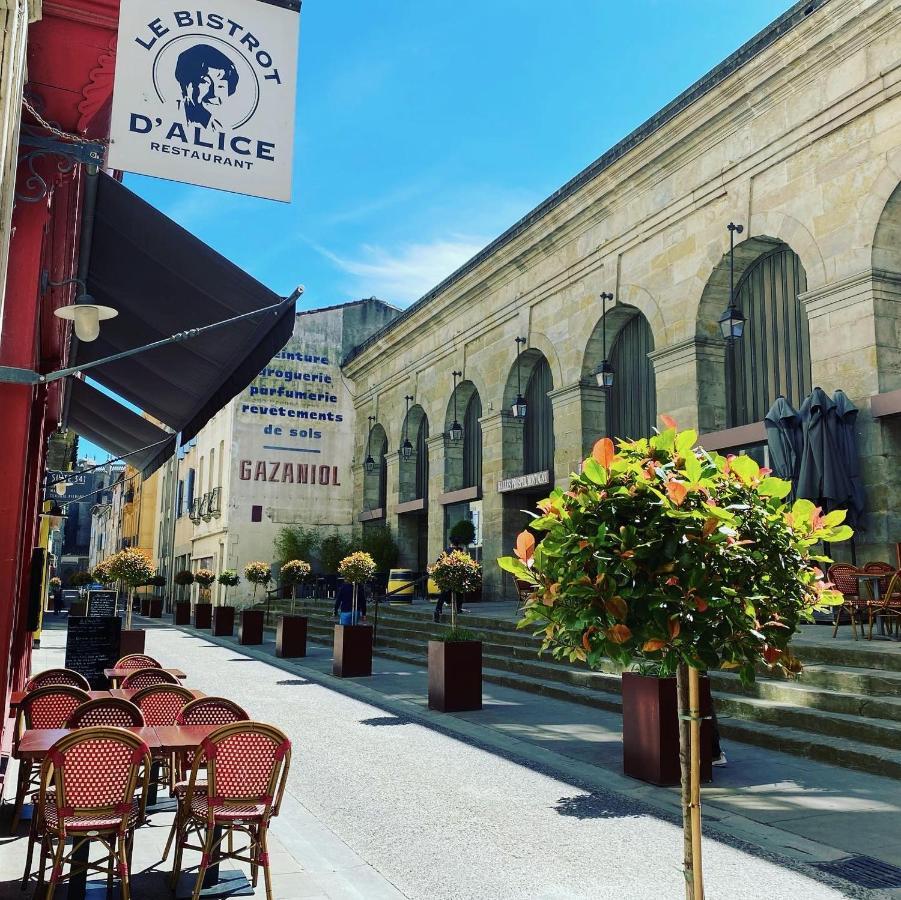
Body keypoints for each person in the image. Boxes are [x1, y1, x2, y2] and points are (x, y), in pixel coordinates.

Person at [433, 539, 469, 623]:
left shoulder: (446, 551)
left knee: (443, 593)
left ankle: (438, 610)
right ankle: (458, 608)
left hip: (447, 576)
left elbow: (438, 562)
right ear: (458, 544)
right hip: (458, 576)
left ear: (451, 544)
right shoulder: (461, 552)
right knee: (459, 592)